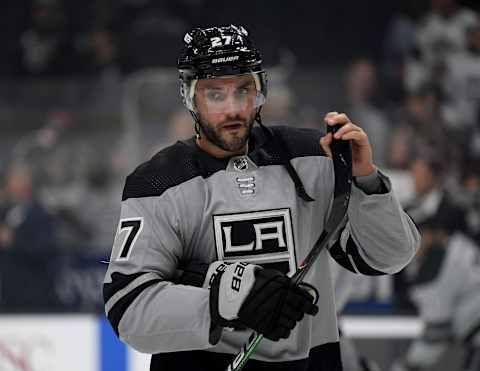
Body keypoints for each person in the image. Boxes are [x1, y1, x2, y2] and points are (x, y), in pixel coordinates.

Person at [103, 24, 420, 371]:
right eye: (215, 94)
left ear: (261, 90)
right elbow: (129, 310)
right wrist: (224, 298)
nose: (233, 109)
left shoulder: (313, 158)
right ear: (190, 96)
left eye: (243, 90)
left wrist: (366, 179)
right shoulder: (159, 182)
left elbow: (388, 257)